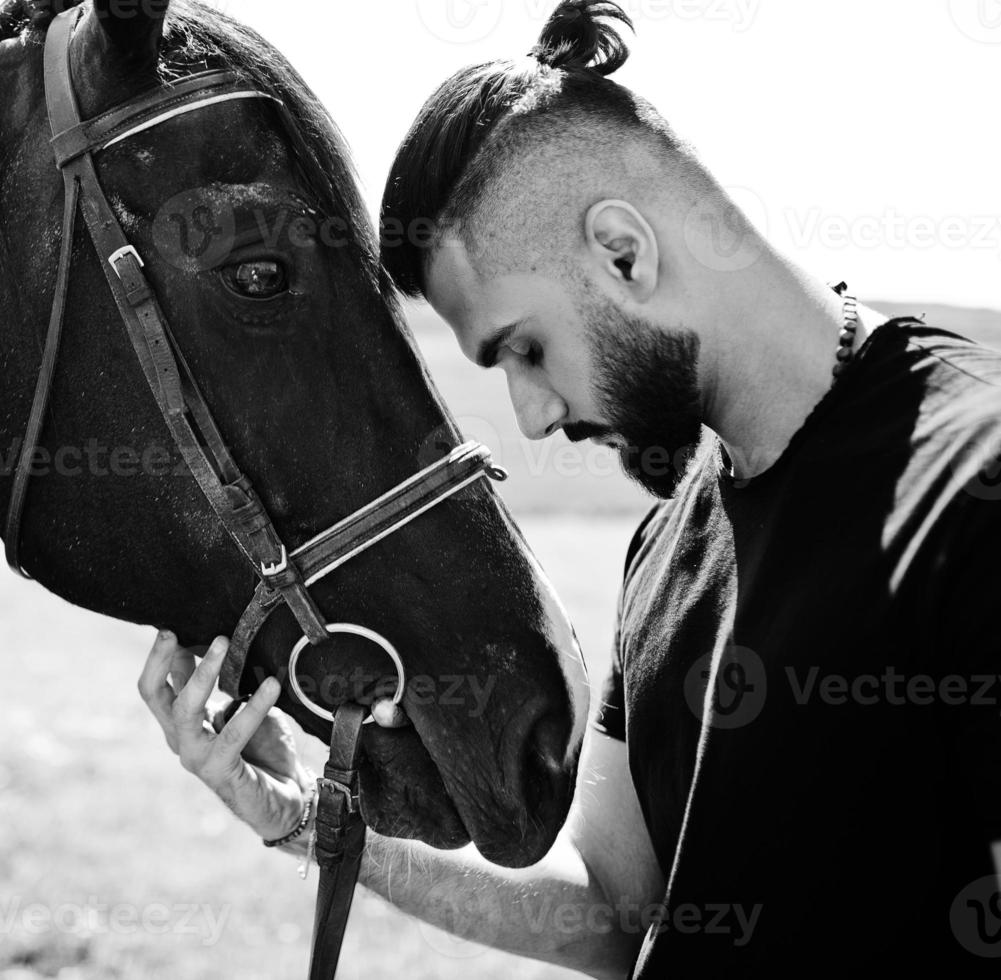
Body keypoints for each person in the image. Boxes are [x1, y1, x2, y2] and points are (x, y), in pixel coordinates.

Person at [138, 0, 1001, 976]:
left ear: (623, 253)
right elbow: (617, 917)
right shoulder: (668, 543)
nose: (534, 415)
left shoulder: (974, 482)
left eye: (527, 349)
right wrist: (313, 825)